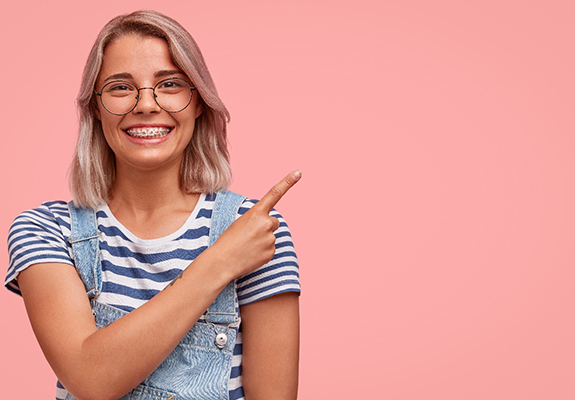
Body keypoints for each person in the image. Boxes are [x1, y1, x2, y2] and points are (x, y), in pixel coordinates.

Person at [5, 10, 301, 400]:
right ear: (95, 107)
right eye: (120, 87)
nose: (146, 104)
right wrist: (221, 261)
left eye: (170, 84)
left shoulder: (256, 228)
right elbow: (90, 379)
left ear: (198, 102)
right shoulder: (44, 230)